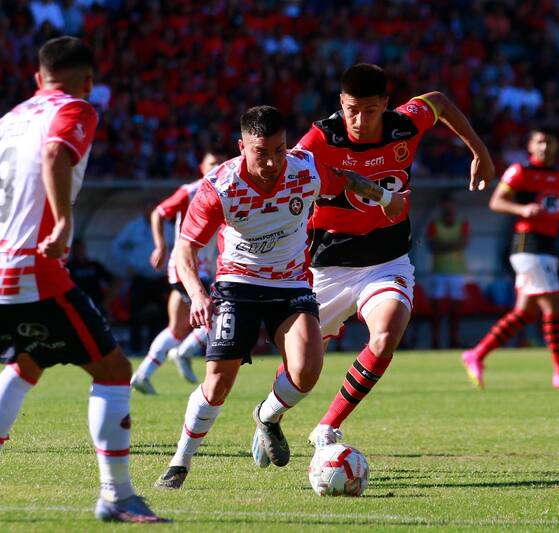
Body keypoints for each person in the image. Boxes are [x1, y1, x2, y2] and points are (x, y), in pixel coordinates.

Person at [0, 36, 165, 523]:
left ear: (36, 78)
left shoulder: (4, 122)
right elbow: (53, 156)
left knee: (25, 365)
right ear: (88, 81)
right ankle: (117, 496)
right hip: (31, 266)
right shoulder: (76, 109)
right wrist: (64, 223)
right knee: (112, 371)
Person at [153, 105, 406, 490]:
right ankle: (180, 462)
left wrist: (384, 197)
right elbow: (184, 250)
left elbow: (345, 181)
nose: (273, 161)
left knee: (306, 371)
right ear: (242, 147)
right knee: (218, 384)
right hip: (237, 286)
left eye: (279, 149)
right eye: (261, 152)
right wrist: (198, 294)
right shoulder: (220, 187)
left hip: (290, 285)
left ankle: (267, 415)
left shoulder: (304, 170)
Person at [295, 64, 494, 448]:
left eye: (370, 110)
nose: (359, 119)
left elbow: (438, 100)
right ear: (341, 102)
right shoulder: (321, 137)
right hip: (328, 264)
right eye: (352, 109)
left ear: (385, 104)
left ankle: (327, 426)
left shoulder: (405, 124)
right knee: (300, 368)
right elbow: (290, 171)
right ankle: (269, 415)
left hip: (387, 258)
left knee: (385, 336)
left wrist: (479, 151)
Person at [462, 127, 559, 389]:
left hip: (547, 248)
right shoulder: (519, 172)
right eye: (540, 142)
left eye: (550, 142)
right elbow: (496, 202)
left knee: (524, 312)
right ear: (530, 146)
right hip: (528, 246)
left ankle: (476, 354)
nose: (545, 147)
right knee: (554, 306)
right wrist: (522, 208)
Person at [131, 149, 227, 393]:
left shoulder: (227, 190)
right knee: (220, 316)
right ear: (202, 167)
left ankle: (143, 375)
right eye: (212, 163)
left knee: (177, 328)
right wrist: (161, 245)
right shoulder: (190, 191)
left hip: (204, 269)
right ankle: (184, 353)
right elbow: (159, 213)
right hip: (185, 267)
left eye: (220, 163)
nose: (217, 167)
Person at [111, 205, 173, 353]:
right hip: (139, 278)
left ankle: (157, 350)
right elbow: (117, 245)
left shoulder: (168, 228)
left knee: (160, 316)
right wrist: (126, 265)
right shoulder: (134, 227)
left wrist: (171, 268)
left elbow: (178, 247)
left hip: (160, 279)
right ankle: (136, 349)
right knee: (136, 315)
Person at [426, 193, 470, 349]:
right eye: (446, 204)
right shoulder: (434, 224)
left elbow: (463, 243)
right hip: (439, 271)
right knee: (436, 310)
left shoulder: (462, 223)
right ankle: (435, 341)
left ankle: (453, 340)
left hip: (457, 272)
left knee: (455, 311)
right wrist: (453, 244)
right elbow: (432, 247)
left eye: (451, 204)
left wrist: (443, 245)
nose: (449, 208)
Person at [66, 238, 118, 314]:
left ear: (84, 249)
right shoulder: (69, 267)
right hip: (78, 305)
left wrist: (106, 303)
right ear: (72, 251)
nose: (79, 251)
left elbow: (113, 281)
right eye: (76, 249)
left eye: (80, 248)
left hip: (96, 303)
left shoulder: (95, 266)